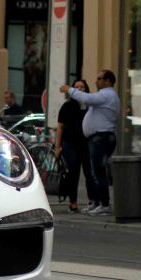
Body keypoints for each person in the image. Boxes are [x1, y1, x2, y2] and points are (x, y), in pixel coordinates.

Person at [60, 69, 120, 216]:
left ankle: (104, 204)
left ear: (108, 81)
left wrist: (70, 89)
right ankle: (98, 203)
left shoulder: (107, 94)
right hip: (98, 138)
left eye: (99, 78)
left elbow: (87, 99)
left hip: (101, 137)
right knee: (95, 172)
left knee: (98, 172)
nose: (96, 81)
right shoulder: (105, 95)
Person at [54, 78, 89, 213]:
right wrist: (57, 147)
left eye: (82, 87)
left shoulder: (89, 105)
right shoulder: (67, 106)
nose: (80, 89)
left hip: (86, 144)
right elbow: (60, 127)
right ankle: (73, 202)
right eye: (77, 87)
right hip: (70, 144)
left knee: (89, 172)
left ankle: (92, 201)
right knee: (73, 173)